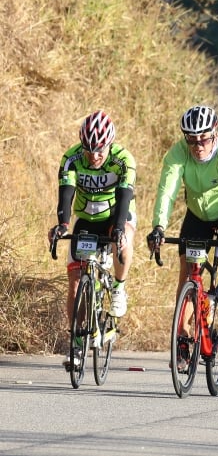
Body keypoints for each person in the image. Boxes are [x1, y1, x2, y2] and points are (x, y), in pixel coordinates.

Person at [147, 105, 218, 370]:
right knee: (188, 272)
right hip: (198, 215)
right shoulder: (178, 153)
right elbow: (166, 191)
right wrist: (158, 227)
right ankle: (182, 337)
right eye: (191, 140)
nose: (197, 146)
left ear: (214, 133)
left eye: (203, 139)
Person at [49, 110, 137, 368]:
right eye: (89, 149)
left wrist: (118, 229)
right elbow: (66, 194)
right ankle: (76, 345)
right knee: (75, 283)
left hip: (116, 214)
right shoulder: (72, 159)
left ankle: (118, 287)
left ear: (110, 143)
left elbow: (125, 197)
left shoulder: (123, 160)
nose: (94, 156)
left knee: (123, 240)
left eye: (100, 150)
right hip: (86, 218)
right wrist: (62, 225)